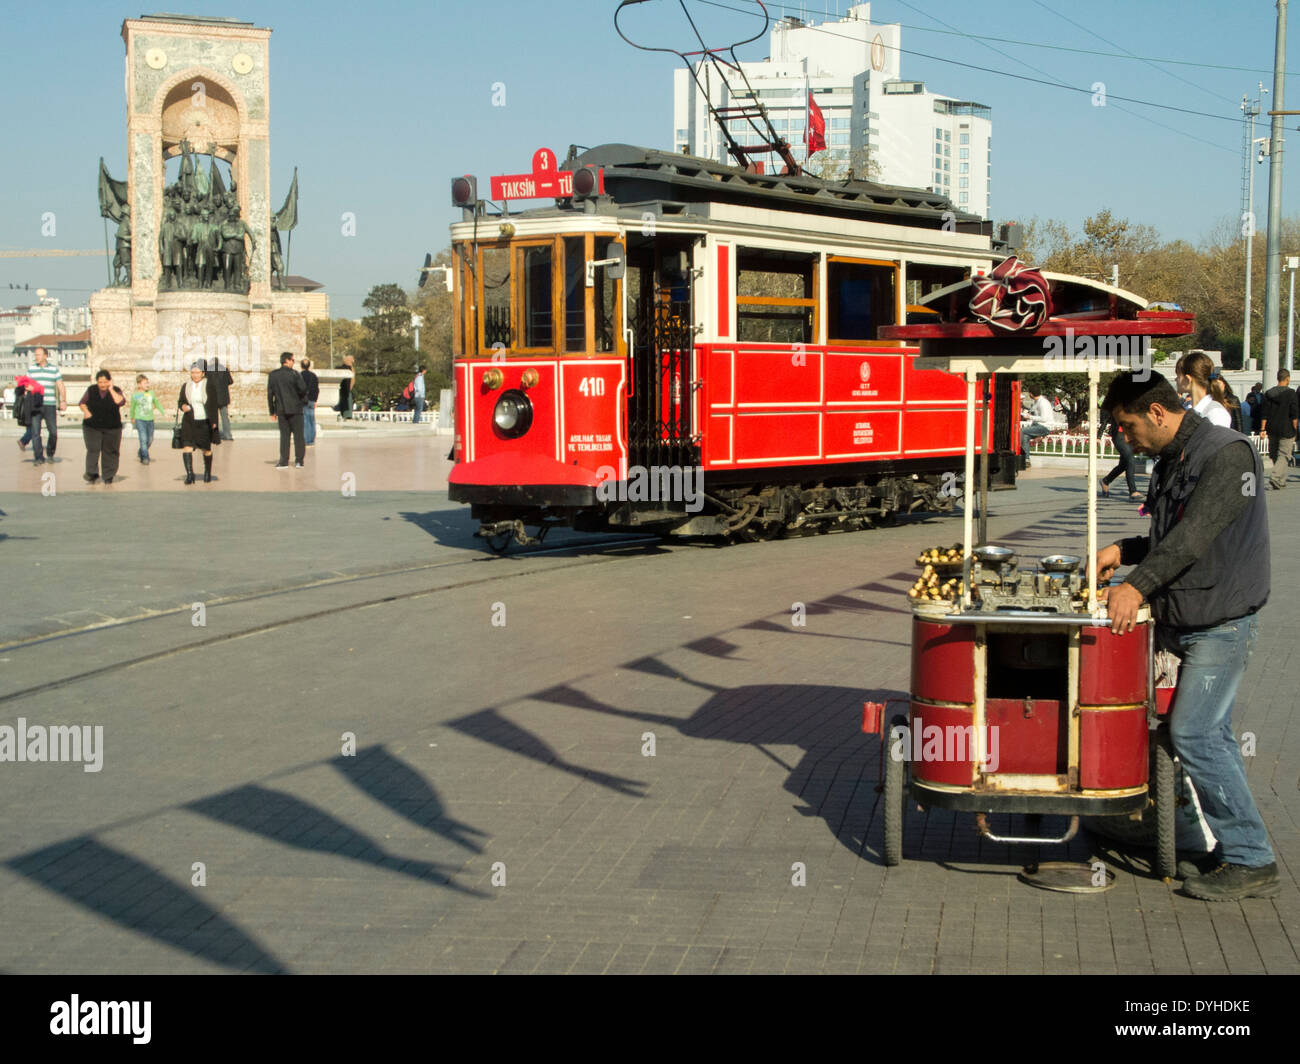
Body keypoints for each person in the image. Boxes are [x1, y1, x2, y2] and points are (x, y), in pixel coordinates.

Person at [1095, 370, 1276, 901]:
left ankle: (1252, 859)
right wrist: (1123, 552)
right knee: (1205, 733)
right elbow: (1166, 535)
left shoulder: (1227, 454)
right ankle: (1232, 845)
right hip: (1188, 614)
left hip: (1221, 618)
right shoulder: (1175, 456)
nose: (1123, 438)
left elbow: (1195, 536)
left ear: (1156, 412)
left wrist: (1136, 587)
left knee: (1196, 732)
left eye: (1126, 427)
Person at [79, 370, 127, 484]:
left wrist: (111, 389)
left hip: (112, 427)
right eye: (100, 382)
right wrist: (86, 411)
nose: (103, 384)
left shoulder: (116, 390)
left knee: (110, 451)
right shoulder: (91, 390)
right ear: (97, 382)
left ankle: (108, 475)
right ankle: (91, 473)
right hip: (92, 426)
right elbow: (82, 403)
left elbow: (120, 402)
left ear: (110, 381)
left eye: (105, 382)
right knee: (93, 449)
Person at [178, 361, 219, 484]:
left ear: (203, 373)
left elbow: (213, 404)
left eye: (197, 372)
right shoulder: (186, 386)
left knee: (206, 449)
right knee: (187, 447)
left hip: (204, 421)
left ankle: (207, 472)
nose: (195, 375)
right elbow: (180, 401)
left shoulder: (209, 386)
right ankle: (190, 475)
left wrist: (214, 422)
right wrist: (183, 406)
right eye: (193, 372)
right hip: (189, 421)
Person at [1257, 368, 1298, 490]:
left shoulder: (1268, 394)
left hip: (1271, 428)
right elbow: (1294, 414)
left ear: (1277, 378)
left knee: (1275, 454)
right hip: (1286, 428)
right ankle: (1275, 477)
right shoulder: (1291, 393)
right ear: (1288, 379)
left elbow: (1264, 413)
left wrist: (1262, 429)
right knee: (1284, 454)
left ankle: (1281, 480)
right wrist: (1295, 429)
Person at [268, 351, 308, 469]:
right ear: (287, 360)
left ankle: (284, 461)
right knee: (299, 437)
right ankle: (299, 460)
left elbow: (270, 394)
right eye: (292, 360)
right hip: (296, 409)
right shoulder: (295, 374)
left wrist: (272, 411)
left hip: (281, 409)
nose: (293, 363)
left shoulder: (273, 375)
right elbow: (303, 389)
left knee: (284, 436)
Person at [26, 346, 65, 466]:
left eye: (38, 355)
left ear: (45, 356)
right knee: (35, 432)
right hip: (35, 405)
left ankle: (50, 453)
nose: (36, 357)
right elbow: (25, 385)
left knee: (53, 431)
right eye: (35, 355)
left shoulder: (54, 369)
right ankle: (38, 457)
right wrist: (29, 388)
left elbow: (60, 385)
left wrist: (63, 400)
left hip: (50, 404)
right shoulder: (31, 369)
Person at [1174, 351, 1231, 427]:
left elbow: (1217, 438)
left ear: (1188, 379)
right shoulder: (1185, 407)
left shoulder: (1216, 413)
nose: (1176, 379)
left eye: (1178, 376)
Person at [1098, 407, 1141, 498]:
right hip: (1119, 436)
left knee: (1123, 465)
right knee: (1130, 460)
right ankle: (1133, 491)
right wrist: (1099, 436)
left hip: (1130, 437)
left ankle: (1105, 481)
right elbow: (1105, 420)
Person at [129, 374, 166, 464]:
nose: (147, 385)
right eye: (145, 383)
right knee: (143, 438)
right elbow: (132, 407)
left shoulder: (151, 393)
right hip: (140, 419)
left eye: (148, 383)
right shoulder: (135, 395)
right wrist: (132, 417)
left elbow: (156, 403)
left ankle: (141, 451)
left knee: (150, 439)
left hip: (150, 419)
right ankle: (145, 457)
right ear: (139, 384)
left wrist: (162, 411)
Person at [1019, 385, 1054, 466]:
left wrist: (1029, 417)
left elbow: (1044, 418)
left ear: (1031, 394)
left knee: (1022, 431)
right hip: (1038, 425)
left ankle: (1019, 453)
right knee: (1025, 436)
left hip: (1044, 426)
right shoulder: (1037, 402)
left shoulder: (1043, 403)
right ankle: (1026, 459)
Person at [206, 357, 234, 440]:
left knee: (213, 417)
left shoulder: (208, 370)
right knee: (225, 417)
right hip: (223, 398)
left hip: (212, 398)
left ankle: (214, 436)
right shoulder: (225, 369)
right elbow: (231, 381)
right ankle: (228, 435)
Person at [300, 358, 319, 446]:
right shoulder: (313, 376)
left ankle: (307, 439)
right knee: (311, 419)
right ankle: (311, 439)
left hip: (303, 400)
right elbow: (316, 389)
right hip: (312, 400)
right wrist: (315, 400)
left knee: (305, 420)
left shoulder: (299, 376)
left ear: (301, 366)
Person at [334, 354, 355, 419]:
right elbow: (352, 380)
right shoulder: (350, 369)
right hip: (346, 391)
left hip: (339, 391)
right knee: (346, 411)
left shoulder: (338, 368)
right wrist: (350, 389)